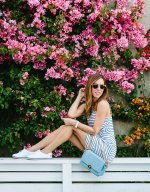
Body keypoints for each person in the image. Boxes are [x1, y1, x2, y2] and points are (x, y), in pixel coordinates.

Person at [12, 73, 117, 162]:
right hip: (95, 146)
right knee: (65, 128)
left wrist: (74, 123)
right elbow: (71, 114)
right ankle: (30, 151)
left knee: (70, 126)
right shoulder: (87, 105)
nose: (99, 89)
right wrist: (79, 96)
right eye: (95, 86)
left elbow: (94, 131)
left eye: (102, 86)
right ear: (89, 87)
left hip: (106, 150)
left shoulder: (103, 104)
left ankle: (45, 152)